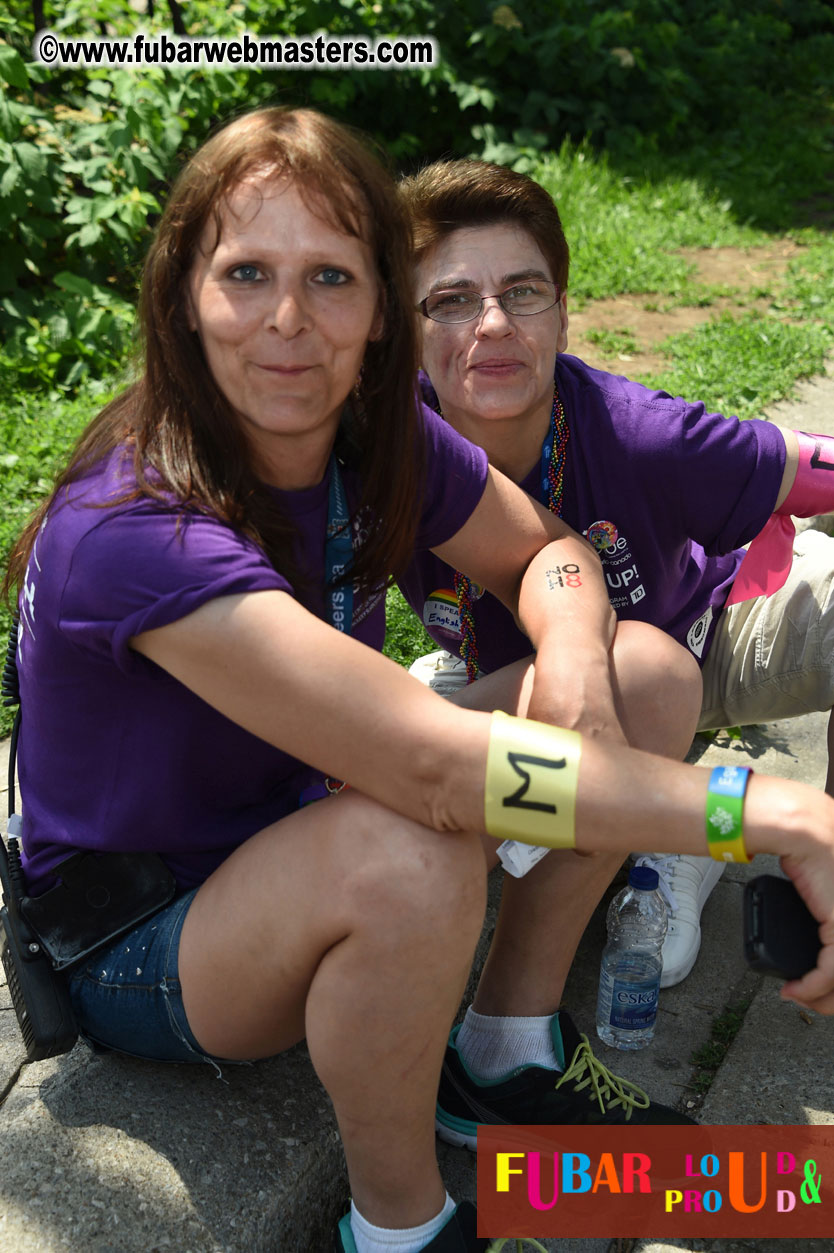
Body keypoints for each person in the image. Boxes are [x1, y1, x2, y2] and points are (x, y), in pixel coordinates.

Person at [5, 110, 834, 1253]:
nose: (289, 321)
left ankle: (503, 1050)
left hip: (303, 807)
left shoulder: (368, 429)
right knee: (413, 851)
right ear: (182, 297)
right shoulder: (135, 525)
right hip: (151, 934)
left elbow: (552, 555)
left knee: (644, 668)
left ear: (378, 308)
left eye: (331, 278)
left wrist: (580, 670)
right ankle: (402, 1222)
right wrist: (781, 811)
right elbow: (444, 775)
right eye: (247, 273)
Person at [397, 156, 834, 1000]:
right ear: (406, 331)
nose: (491, 324)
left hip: (706, 634)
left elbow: (806, 464)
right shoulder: (384, 445)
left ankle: (713, 840)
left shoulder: (646, 435)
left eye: (522, 293)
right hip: (511, 666)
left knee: (662, 666)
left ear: (562, 312)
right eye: (452, 300)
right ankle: (659, 811)